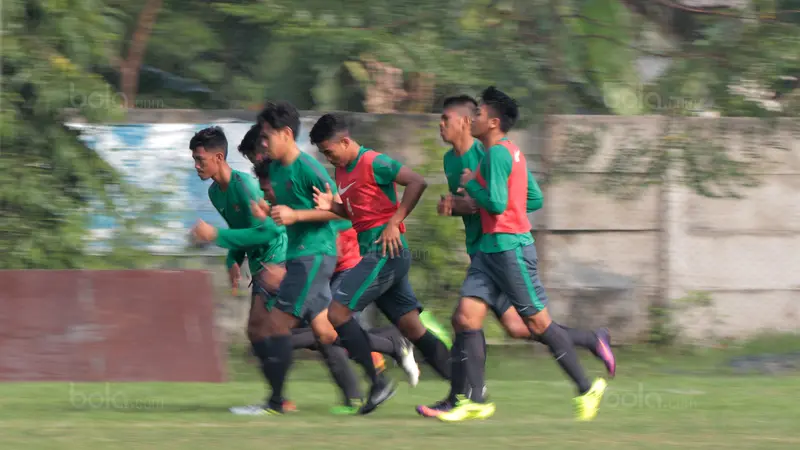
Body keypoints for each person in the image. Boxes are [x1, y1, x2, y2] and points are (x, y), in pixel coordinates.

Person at [417, 95, 616, 418]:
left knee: (535, 324)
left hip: (507, 248)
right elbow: (491, 202)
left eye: (445, 119)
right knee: (468, 319)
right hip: (485, 251)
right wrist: (464, 205)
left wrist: (480, 201)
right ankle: (472, 401)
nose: (440, 125)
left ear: (470, 121)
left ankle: (586, 383)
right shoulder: (458, 158)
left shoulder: (492, 152)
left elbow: (518, 200)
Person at [243, 135, 420, 389]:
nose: (258, 162)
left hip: (343, 259)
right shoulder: (277, 182)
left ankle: (388, 352)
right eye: (253, 159)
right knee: (325, 332)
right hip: (322, 262)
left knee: (322, 329)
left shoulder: (302, 172)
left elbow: (340, 214)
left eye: (257, 155)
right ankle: (385, 354)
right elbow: (288, 227)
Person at [310, 113, 453, 415]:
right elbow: (358, 214)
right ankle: (464, 386)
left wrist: (395, 221)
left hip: (385, 253)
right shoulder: (342, 172)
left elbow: (417, 181)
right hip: (377, 255)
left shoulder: (373, 161)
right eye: (323, 153)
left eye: (329, 151)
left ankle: (378, 382)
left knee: (337, 313)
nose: (328, 157)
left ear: (345, 141)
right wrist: (332, 207)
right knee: (412, 328)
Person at [187, 126, 299, 414]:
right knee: (263, 331)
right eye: (194, 159)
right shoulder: (216, 192)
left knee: (266, 329)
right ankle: (279, 400)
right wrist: (232, 260)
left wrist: (216, 237)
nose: (196, 165)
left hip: (278, 259)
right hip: (261, 264)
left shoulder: (246, 186)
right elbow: (242, 230)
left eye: (200, 159)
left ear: (219, 157)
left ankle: (278, 401)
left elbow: (268, 232)